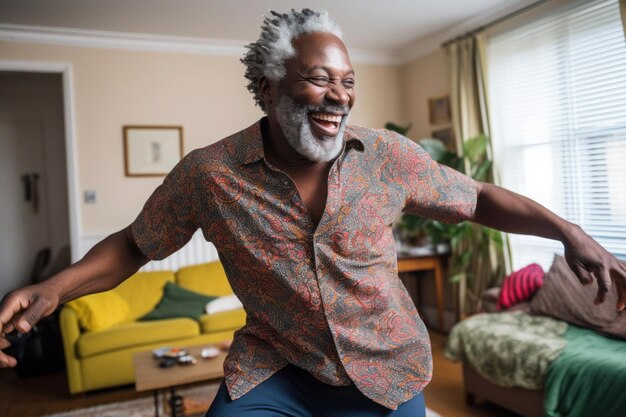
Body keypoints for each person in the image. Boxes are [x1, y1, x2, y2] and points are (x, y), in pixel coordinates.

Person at [1, 8, 625, 417]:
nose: (340, 96)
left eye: (348, 81)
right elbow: (137, 243)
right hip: (276, 370)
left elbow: (477, 197)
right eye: (320, 78)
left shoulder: (385, 156)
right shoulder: (209, 175)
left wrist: (567, 231)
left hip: (387, 368)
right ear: (269, 87)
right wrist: (55, 287)